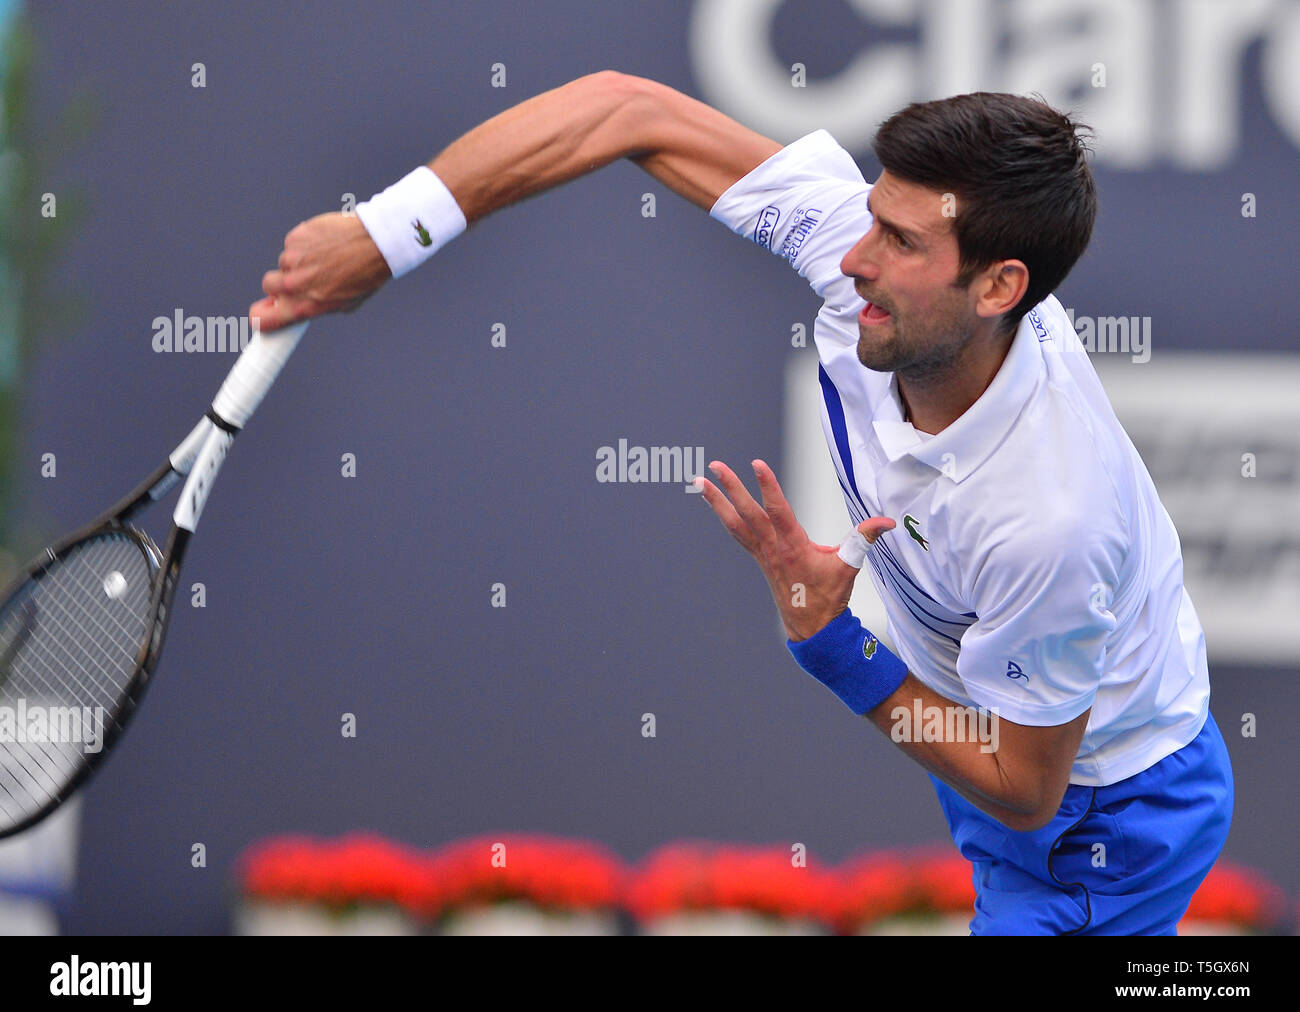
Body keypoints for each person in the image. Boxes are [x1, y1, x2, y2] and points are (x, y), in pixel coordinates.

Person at [250, 71, 1233, 936]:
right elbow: (623, 109)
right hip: (1007, 719)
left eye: (896, 240)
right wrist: (385, 235)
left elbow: (1023, 786)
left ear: (998, 286)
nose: (853, 260)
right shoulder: (880, 275)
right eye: (868, 218)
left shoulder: (1047, 519)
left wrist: (830, 641)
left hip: (1103, 819)